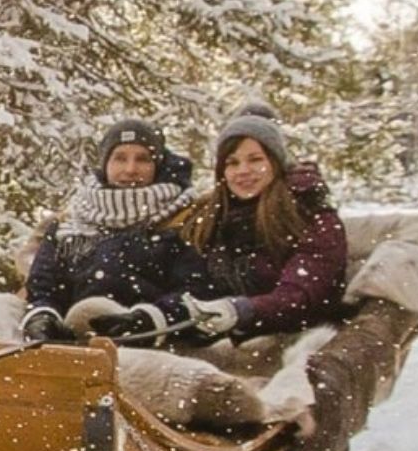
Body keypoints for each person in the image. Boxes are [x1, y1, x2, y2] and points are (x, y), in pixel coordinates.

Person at [64, 100, 348, 343]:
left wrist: (240, 310)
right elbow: (182, 274)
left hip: (288, 338)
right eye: (232, 163)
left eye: (255, 160)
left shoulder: (312, 216)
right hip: (218, 336)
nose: (243, 171)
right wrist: (153, 316)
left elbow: (300, 295)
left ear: (275, 161)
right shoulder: (210, 214)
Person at [18, 116, 193, 342]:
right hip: (66, 338)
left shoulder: (180, 220)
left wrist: (147, 319)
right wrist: (42, 317)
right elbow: (43, 287)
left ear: (157, 166)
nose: (130, 169)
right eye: (120, 158)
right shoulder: (70, 223)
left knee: (91, 310)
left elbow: (193, 290)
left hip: (147, 339)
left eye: (142, 159)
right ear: (105, 164)